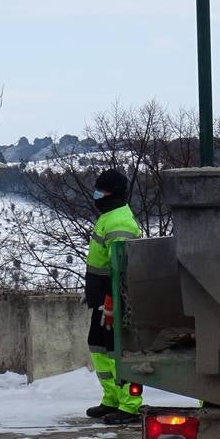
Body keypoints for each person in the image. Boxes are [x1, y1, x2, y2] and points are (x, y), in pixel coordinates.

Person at [83, 168, 143, 424]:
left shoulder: (119, 222)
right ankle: (111, 399)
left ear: (111, 194)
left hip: (114, 301)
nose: (96, 195)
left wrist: (109, 299)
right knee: (100, 349)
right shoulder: (110, 216)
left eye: (100, 190)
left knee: (117, 352)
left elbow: (121, 269)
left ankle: (129, 405)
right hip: (103, 301)